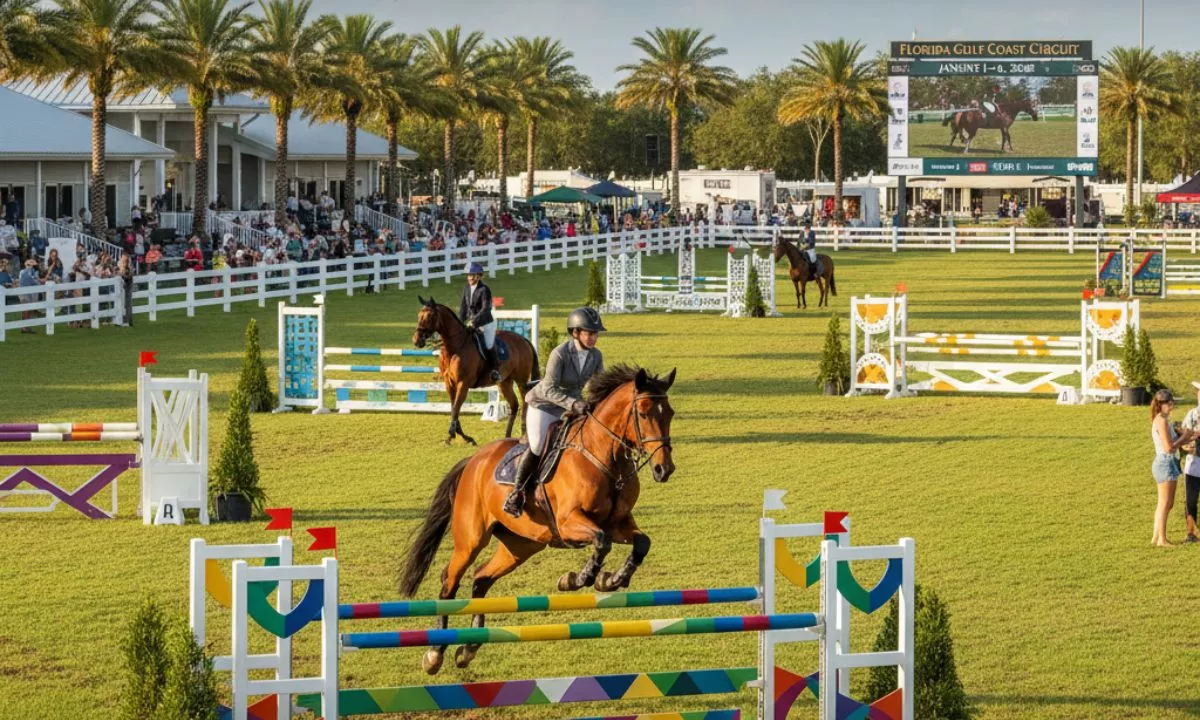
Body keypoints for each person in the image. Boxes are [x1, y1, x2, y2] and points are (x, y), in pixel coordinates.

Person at [502, 307, 606, 518]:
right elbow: (548, 389)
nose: (593, 337)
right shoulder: (559, 354)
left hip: (571, 407)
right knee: (539, 445)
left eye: (595, 333)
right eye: (589, 332)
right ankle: (517, 493)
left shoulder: (596, 356)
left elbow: (599, 384)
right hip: (544, 405)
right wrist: (574, 403)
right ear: (576, 332)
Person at [1150, 389, 1195, 547]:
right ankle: (1162, 539)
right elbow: (1169, 448)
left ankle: (1157, 537)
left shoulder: (1164, 419)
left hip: (1167, 462)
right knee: (1165, 503)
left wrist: (1186, 437)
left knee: (1165, 503)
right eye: (1168, 403)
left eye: (1172, 402)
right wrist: (1183, 437)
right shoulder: (1161, 421)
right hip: (1165, 462)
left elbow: (1173, 444)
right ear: (1160, 404)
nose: (1171, 405)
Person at [458, 262, 500, 383]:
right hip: (472, 324)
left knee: (488, 344)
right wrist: (459, 323)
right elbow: (463, 308)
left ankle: (495, 370)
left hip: (486, 324)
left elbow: (486, 309)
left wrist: (474, 321)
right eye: (469, 275)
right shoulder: (466, 288)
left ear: (479, 276)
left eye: (472, 275)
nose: (470, 277)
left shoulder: (484, 289)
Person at [1180, 381, 1200, 543]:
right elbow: (1183, 436)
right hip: (1193, 465)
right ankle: (1191, 533)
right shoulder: (1192, 414)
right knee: (1190, 501)